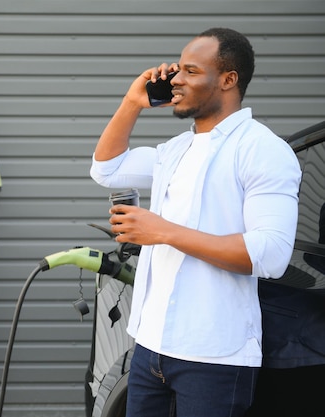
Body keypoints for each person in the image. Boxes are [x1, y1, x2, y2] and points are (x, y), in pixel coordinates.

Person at [90, 28, 301, 417]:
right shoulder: (177, 149)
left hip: (214, 357)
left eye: (190, 71)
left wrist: (163, 232)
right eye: (177, 71)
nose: (176, 80)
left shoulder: (264, 150)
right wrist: (132, 102)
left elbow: (269, 255)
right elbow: (106, 168)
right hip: (150, 348)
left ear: (228, 79)